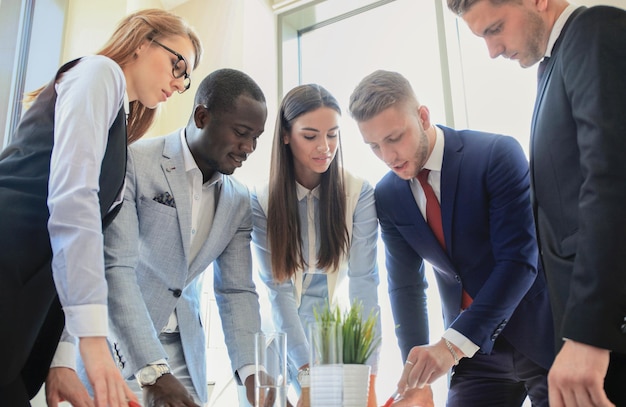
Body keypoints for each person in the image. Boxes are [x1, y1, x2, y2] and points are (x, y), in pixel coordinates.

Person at [0, 8, 202, 407]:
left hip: (27, 298)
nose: (178, 84)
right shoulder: (100, 73)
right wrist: (93, 346)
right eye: (177, 65)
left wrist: (60, 361)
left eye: (186, 78)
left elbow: (77, 244)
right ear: (142, 42)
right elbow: (72, 204)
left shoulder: (116, 135)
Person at [44, 68, 268, 407]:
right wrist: (153, 371)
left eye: (256, 137)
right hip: (120, 349)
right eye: (241, 133)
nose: (248, 147)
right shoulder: (134, 160)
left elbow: (235, 289)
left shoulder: (239, 200)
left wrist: (253, 372)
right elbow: (116, 266)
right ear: (202, 116)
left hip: (186, 357)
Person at [446, 1, 626, 406]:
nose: (492, 50)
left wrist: (589, 333)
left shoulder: (592, 31)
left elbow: (613, 182)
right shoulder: (552, 66)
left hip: (606, 333)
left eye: (494, 29)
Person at [349, 70, 555, 407]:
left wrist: (449, 346)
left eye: (394, 138)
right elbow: (406, 287)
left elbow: (518, 263)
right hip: (475, 356)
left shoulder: (496, 154)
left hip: (540, 336)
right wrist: (415, 376)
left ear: (423, 116)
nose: (388, 157)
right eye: (374, 146)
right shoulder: (388, 195)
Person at [251, 84, 382, 407]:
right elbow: (277, 290)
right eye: (310, 136)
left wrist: (368, 374)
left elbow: (365, 285)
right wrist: (306, 372)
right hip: (276, 335)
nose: (325, 147)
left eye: (333, 135)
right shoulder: (262, 200)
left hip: (327, 334)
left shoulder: (358, 194)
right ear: (285, 135)